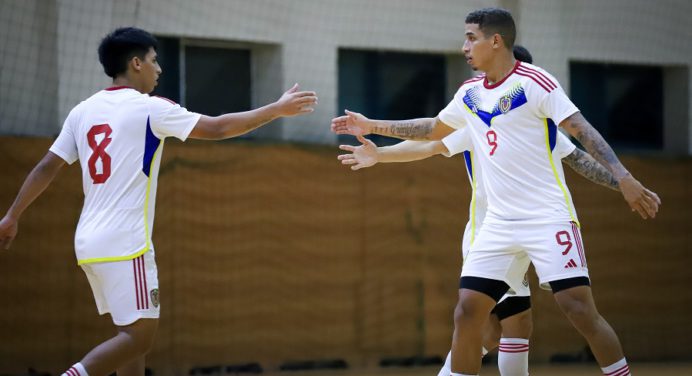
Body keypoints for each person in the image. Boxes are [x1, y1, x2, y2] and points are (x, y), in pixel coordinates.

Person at [331, 8, 660, 376]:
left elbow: (581, 134)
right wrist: (372, 126)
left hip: (547, 219)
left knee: (578, 310)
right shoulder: (470, 96)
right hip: (496, 225)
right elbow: (432, 131)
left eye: (471, 38)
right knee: (469, 313)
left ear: (496, 41)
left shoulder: (537, 84)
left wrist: (624, 179)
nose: (464, 47)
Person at [0, 27, 317, 376]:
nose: (159, 69)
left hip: (88, 242)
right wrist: (276, 109)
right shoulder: (150, 108)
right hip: (127, 242)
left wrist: (12, 215)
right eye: (154, 61)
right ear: (136, 63)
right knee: (139, 338)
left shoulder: (82, 111)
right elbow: (218, 129)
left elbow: (47, 166)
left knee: (128, 338)